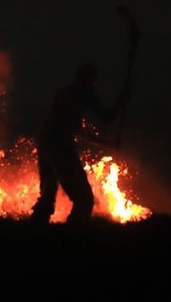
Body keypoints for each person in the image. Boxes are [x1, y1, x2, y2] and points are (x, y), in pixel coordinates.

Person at [31, 64, 128, 223]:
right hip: (60, 146)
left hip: (45, 142)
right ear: (91, 80)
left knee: (48, 195)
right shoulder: (86, 93)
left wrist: (107, 144)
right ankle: (74, 238)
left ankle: (35, 234)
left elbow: (74, 129)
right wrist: (121, 101)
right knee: (84, 199)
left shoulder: (63, 94)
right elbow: (106, 118)